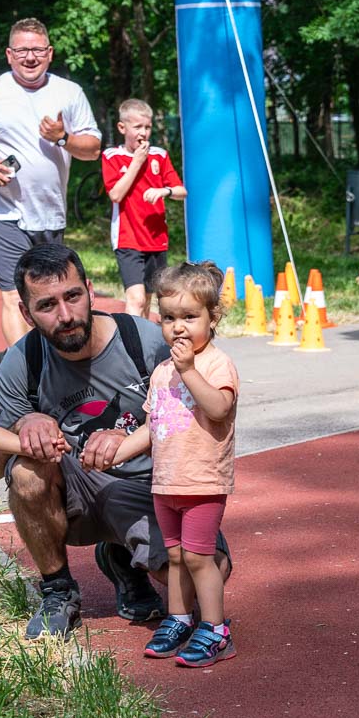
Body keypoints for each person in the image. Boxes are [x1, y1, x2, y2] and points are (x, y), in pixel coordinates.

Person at [0, 243, 231, 639]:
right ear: (26, 313)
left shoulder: (147, 340)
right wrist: (24, 425)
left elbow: (207, 418)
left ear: (90, 290)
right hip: (77, 489)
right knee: (26, 474)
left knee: (210, 573)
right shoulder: (22, 362)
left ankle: (121, 556)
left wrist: (130, 437)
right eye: (47, 305)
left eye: (73, 296)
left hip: (150, 487)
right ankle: (58, 591)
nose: (66, 315)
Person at [0, 18, 102, 346]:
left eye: (37, 50)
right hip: (2, 212)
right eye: (22, 50)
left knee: (50, 293)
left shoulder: (69, 92)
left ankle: (50, 361)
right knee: (15, 295)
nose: (30, 57)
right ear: (9, 54)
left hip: (50, 213)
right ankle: (25, 369)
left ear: (50, 53)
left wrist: (63, 138)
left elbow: (93, 149)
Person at [113, 262, 239, 667]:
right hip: (165, 482)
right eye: (168, 318)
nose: (178, 327)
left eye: (189, 317)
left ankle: (216, 630)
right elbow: (152, 427)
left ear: (212, 317)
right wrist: (115, 454)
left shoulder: (216, 364)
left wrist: (189, 371)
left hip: (202, 481)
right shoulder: (162, 372)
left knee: (200, 557)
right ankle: (180, 618)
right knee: (176, 557)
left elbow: (219, 408)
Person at [101, 99, 186, 318]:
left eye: (147, 127)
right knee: (136, 299)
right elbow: (115, 194)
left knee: (148, 299)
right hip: (127, 237)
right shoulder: (112, 156)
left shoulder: (160, 155)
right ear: (122, 128)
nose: (143, 133)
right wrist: (137, 162)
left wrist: (164, 191)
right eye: (137, 127)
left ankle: (143, 338)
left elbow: (181, 191)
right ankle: (130, 339)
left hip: (156, 238)